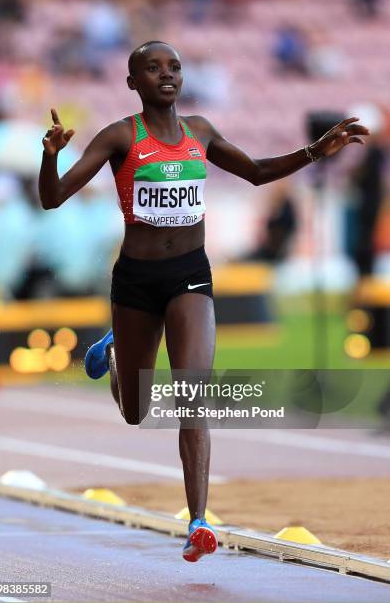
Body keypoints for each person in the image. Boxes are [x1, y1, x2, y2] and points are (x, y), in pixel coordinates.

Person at [38, 40, 369, 562]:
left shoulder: (202, 132)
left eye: (173, 67)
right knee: (135, 411)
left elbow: (257, 172)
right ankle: (120, 355)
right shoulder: (120, 136)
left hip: (191, 275)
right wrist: (50, 155)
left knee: (194, 394)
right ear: (133, 83)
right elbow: (52, 198)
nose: (166, 75)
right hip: (136, 283)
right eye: (152, 69)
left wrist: (314, 151)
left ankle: (197, 521)